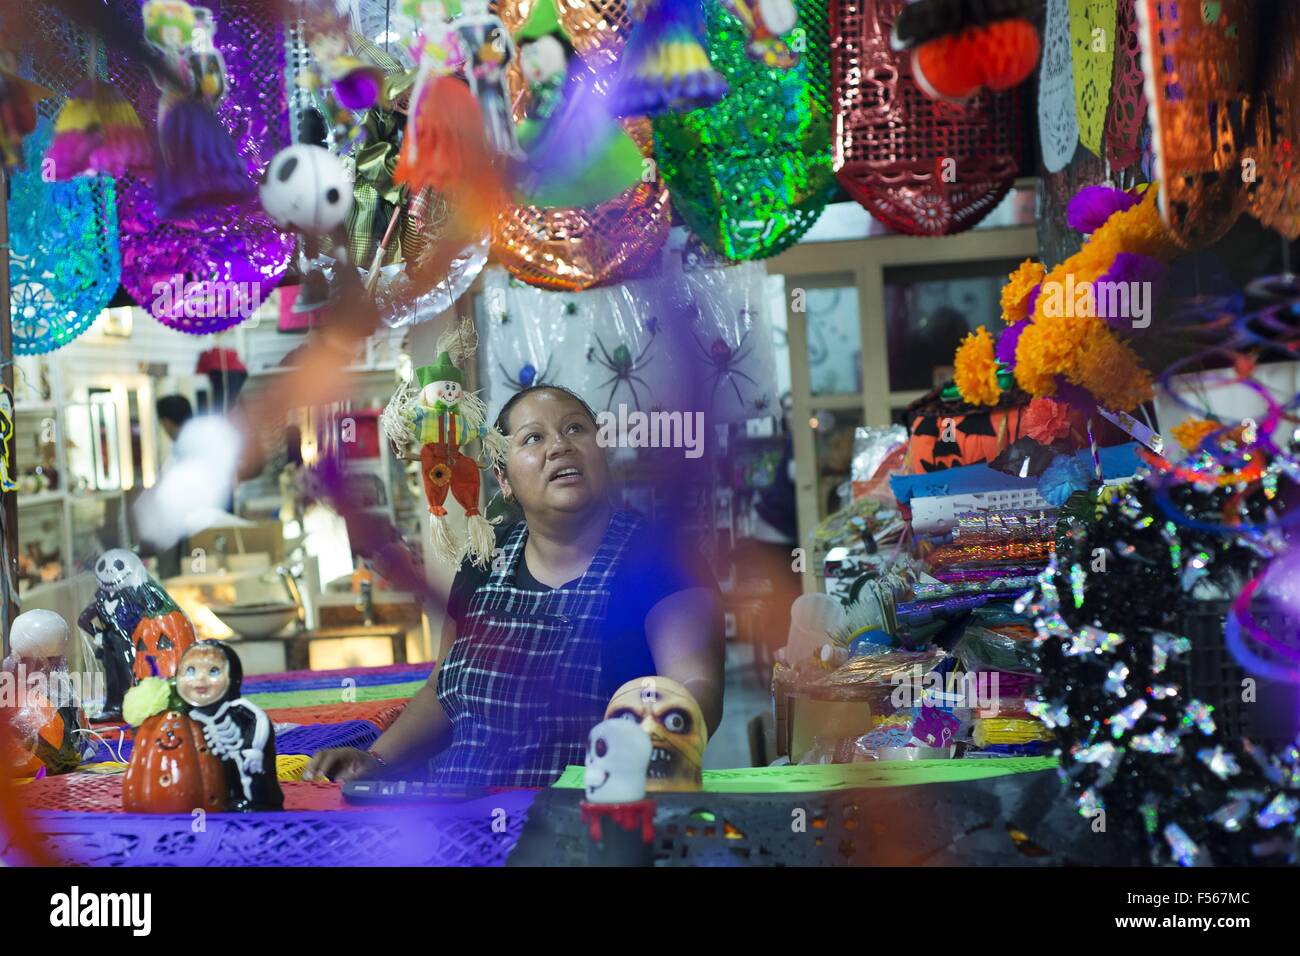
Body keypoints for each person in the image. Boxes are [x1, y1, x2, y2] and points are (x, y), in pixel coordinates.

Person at [306, 384, 724, 787]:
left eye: (576, 428)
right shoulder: (482, 561)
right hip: (462, 820)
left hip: (588, 823)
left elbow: (694, 686)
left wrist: (657, 745)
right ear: (504, 479)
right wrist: (376, 759)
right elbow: (442, 691)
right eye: (533, 438)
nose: (559, 445)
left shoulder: (662, 560)